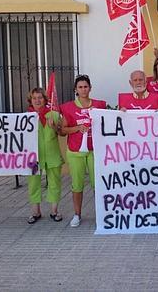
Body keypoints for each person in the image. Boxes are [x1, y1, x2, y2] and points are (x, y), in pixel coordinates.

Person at [60, 75, 107, 227]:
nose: (83, 89)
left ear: (90, 88)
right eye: (80, 87)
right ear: (76, 90)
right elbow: (62, 130)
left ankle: (101, 214)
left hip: (95, 150)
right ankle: (77, 214)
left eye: (85, 86)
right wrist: (77, 128)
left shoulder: (99, 105)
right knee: (77, 184)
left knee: (98, 184)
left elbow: (108, 124)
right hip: (75, 152)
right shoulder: (67, 107)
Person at [26, 88, 64, 224]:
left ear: (45, 99)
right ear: (30, 100)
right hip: (33, 156)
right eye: (34, 98)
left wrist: (54, 127)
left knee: (54, 182)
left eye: (40, 97)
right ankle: (36, 211)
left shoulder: (53, 114)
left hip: (52, 154)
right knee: (33, 183)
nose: (37, 100)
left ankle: (54, 211)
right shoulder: (25, 117)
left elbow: (62, 133)